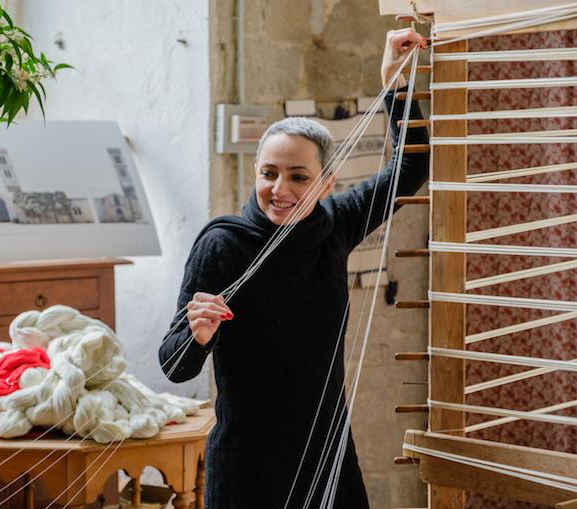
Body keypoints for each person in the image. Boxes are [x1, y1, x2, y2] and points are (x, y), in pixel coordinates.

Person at [159, 28, 429, 509]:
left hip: (327, 455)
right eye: (269, 173)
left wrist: (395, 82)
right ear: (256, 172)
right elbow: (174, 365)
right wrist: (196, 336)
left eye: (298, 176)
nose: (280, 189)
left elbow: (410, 169)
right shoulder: (222, 246)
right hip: (249, 467)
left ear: (326, 184)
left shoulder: (336, 225)